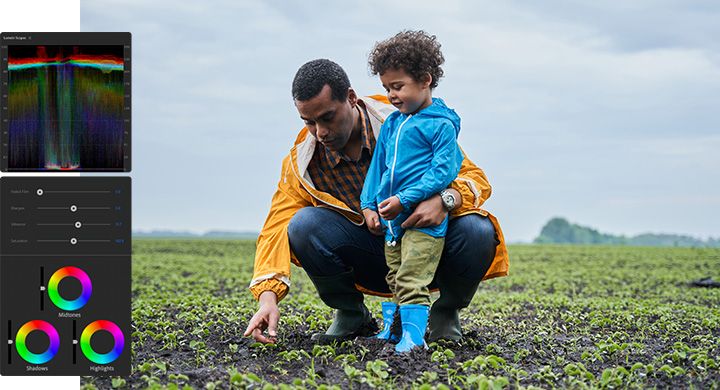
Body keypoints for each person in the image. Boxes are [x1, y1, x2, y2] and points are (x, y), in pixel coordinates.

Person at [243, 58, 509, 345]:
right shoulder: (303, 161)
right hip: (374, 251)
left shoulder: (404, 121)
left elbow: (473, 177)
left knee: (478, 230)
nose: (320, 132)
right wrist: (268, 299)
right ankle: (351, 315)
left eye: (328, 117)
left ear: (351, 98)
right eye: (309, 122)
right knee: (303, 225)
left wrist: (445, 199)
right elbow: (275, 226)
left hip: (427, 246)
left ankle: (445, 314)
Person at [360, 30, 464, 352]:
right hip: (392, 222)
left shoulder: (441, 125)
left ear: (425, 80)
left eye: (398, 86)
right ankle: (395, 331)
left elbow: (443, 171)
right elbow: (378, 167)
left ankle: (414, 339)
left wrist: (405, 198)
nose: (391, 95)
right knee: (394, 277)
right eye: (386, 88)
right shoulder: (392, 124)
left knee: (411, 278)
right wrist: (368, 204)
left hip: (423, 222)